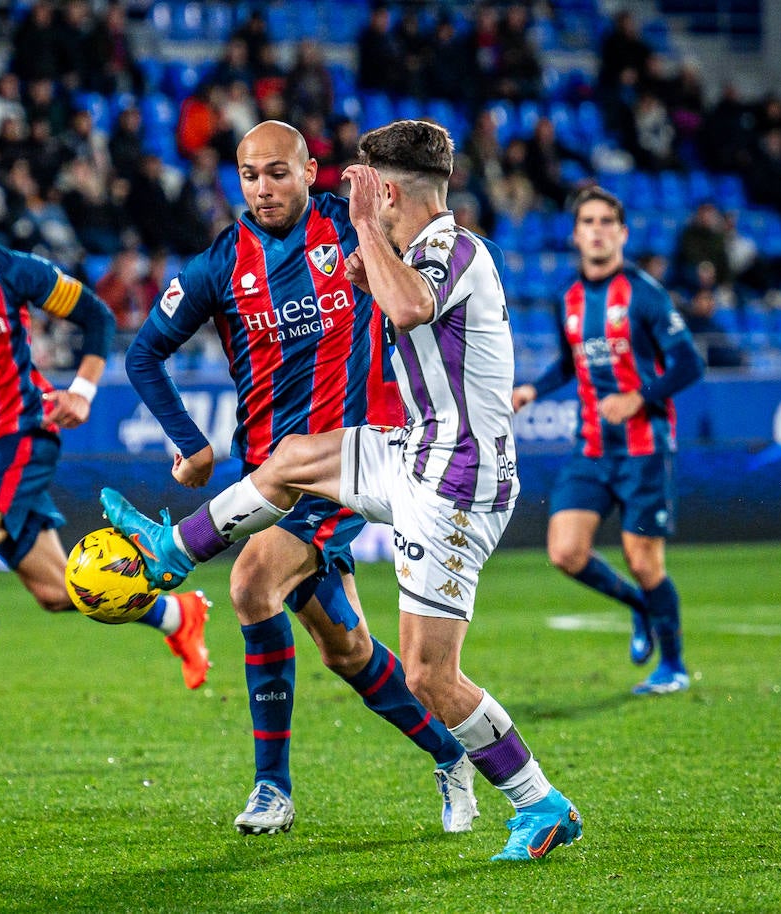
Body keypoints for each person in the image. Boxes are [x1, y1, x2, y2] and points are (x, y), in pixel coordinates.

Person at [103, 120, 581, 862]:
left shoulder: (450, 248)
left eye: (281, 173)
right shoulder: (364, 252)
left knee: (422, 669)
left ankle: (537, 801)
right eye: (249, 175)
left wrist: (361, 234)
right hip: (411, 453)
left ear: (383, 189)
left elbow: (414, 307)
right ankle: (173, 548)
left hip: (455, 480)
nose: (266, 189)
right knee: (341, 623)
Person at [0, 155, 211, 758]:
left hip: (23, 433)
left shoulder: (7, 268)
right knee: (58, 592)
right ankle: (178, 618)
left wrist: (81, 389)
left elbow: (96, 317)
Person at [511, 187, 705, 695]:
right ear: (575, 235)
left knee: (644, 561)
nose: (596, 230)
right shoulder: (569, 299)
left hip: (644, 448)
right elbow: (570, 362)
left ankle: (675, 666)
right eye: (587, 222)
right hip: (592, 448)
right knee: (565, 552)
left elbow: (690, 362)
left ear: (621, 233)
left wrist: (641, 396)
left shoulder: (644, 293)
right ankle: (638, 606)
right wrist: (534, 388)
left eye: (606, 222)